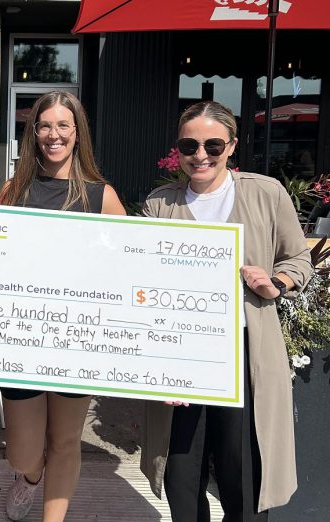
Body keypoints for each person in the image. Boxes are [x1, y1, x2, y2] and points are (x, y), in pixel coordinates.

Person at [140, 101, 313, 521]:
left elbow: (298, 260)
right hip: (181, 354)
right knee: (182, 474)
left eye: (213, 145)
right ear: (178, 150)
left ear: (231, 146)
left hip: (245, 352)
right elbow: (139, 278)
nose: (201, 155)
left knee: (243, 474)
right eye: (189, 145)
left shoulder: (266, 193)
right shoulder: (159, 205)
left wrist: (276, 283)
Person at [0, 90, 126, 521]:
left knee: (66, 441)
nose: (54, 135)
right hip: (21, 338)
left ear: (77, 133)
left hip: (78, 339)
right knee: (23, 450)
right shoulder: (14, 190)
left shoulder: (100, 195)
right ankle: (30, 478)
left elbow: (127, 265)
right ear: (34, 133)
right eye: (45, 126)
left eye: (63, 126)